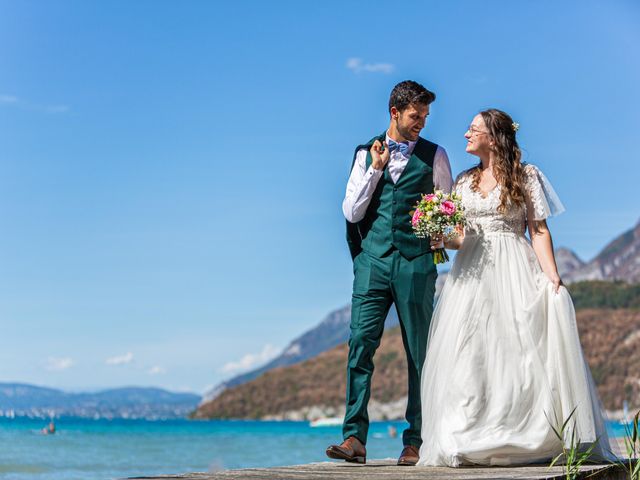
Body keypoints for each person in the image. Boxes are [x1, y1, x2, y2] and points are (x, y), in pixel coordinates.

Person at [418, 109, 614, 466]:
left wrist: (552, 276)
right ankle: (465, 433)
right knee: (469, 354)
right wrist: (437, 234)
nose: (465, 134)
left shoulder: (526, 176)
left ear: (493, 138)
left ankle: (520, 432)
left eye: (473, 129)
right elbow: (459, 239)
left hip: (514, 268)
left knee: (518, 353)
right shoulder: (462, 182)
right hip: (470, 274)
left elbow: (538, 230)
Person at [326, 80, 453, 466]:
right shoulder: (366, 154)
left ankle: (416, 439)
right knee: (360, 345)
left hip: (416, 263)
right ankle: (354, 438)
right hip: (372, 262)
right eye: (417, 116)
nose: (422, 124)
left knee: (420, 352)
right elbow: (351, 212)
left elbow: (446, 210)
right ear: (395, 113)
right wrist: (375, 170)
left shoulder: (437, 155)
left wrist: (437, 234)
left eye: (426, 116)